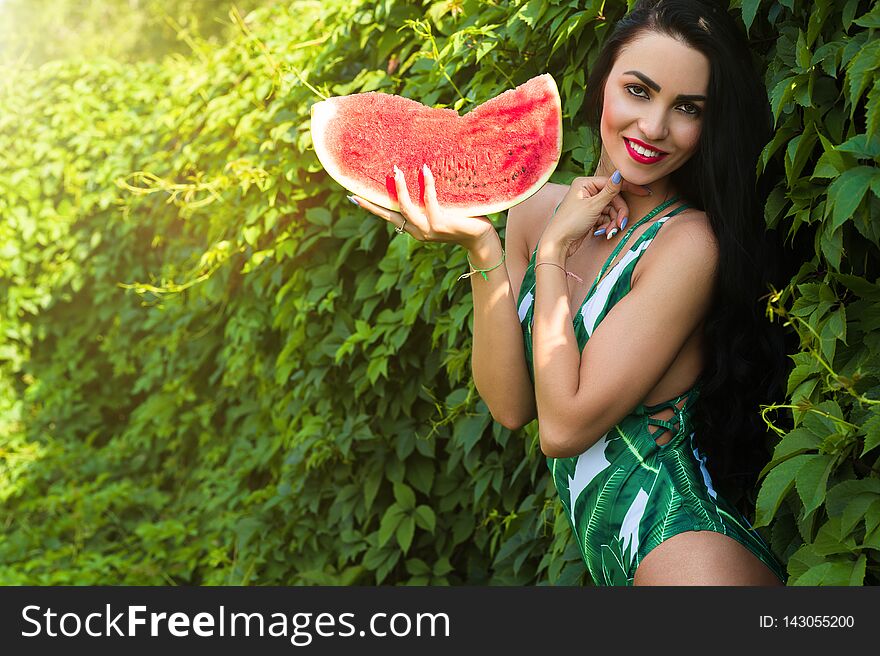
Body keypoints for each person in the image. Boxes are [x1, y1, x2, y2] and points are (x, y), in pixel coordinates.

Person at [349, 0, 788, 586]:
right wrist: (481, 246)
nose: (654, 127)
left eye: (687, 108)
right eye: (638, 91)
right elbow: (511, 407)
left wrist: (553, 255)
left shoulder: (687, 245)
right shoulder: (535, 209)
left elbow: (561, 429)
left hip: (686, 554)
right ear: (603, 83)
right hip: (618, 561)